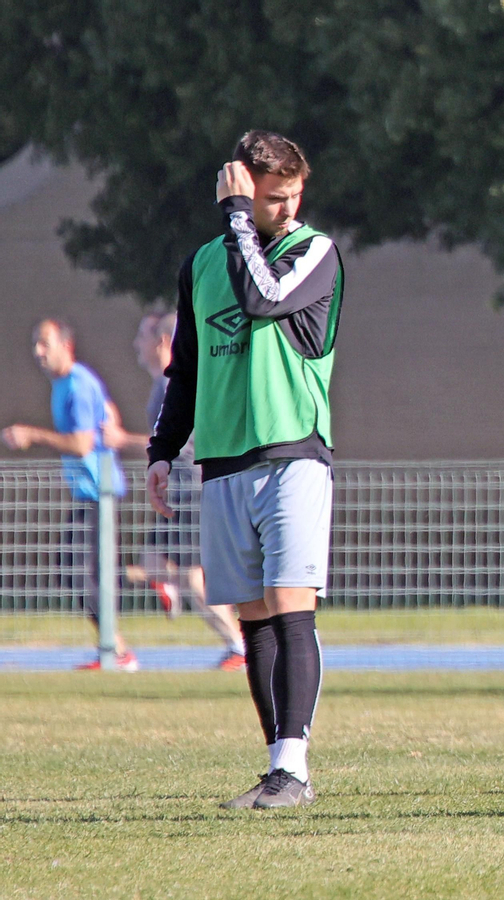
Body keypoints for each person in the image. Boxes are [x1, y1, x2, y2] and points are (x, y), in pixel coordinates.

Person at [149, 130, 343, 809]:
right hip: (224, 461)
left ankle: (295, 768)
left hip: (291, 452)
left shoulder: (312, 250)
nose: (287, 209)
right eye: (271, 198)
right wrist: (163, 450)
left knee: (291, 609)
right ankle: (276, 770)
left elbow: (262, 298)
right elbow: (187, 367)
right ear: (240, 186)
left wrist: (239, 219)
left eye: (294, 195)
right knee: (253, 620)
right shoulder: (202, 264)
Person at [104, 312, 247, 671]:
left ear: (163, 342)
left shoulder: (173, 384)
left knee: (193, 577)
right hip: (175, 492)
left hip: (191, 490)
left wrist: (122, 439)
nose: (136, 344)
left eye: (143, 336)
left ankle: (239, 646)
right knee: (152, 563)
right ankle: (172, 589)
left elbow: (176, 443)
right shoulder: (161, 385)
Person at [2, 319, 135, 671]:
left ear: (66, 346)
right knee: (77, 571)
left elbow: (81, 444)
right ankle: (116, 648)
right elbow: (109, 413)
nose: (37, 352)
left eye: (44, 344)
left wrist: (32, 435)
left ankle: (118, 650)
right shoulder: (65, 384)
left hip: (99, 492)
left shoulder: (78, 384)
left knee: (77, 572)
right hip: (88, 492)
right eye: (35, 344)